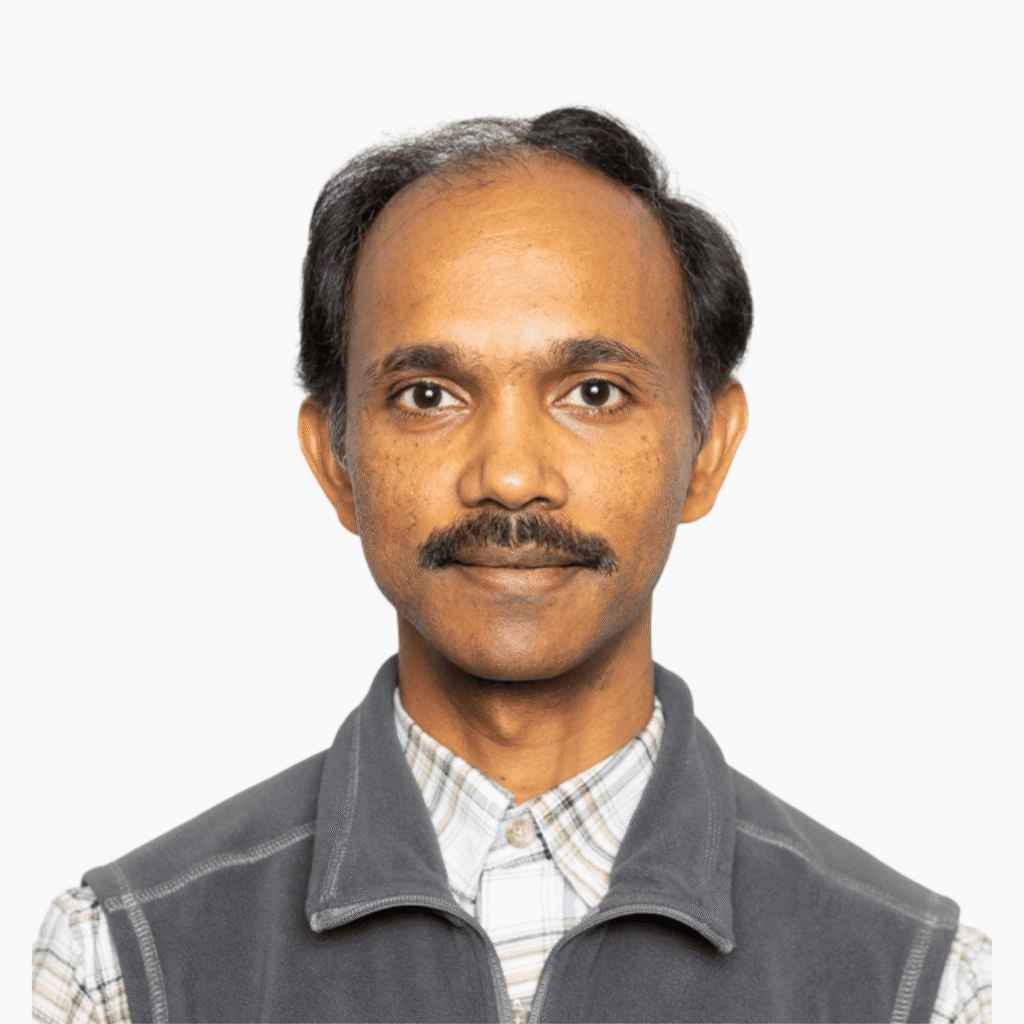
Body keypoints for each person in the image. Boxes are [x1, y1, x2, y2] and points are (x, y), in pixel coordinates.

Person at [32, 107, 990, 1024]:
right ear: (336, 462)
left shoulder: (916, 985)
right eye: (428, 395)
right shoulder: (124, 966)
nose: (512, 477)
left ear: (708, 449)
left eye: (594, 392)